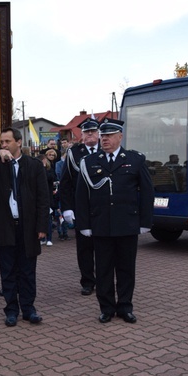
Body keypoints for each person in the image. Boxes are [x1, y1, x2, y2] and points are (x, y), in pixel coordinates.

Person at [75, 119, 154, 324]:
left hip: (127, 225)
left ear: (120, 137)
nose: (105, 139)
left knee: (126, 269)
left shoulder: (135, 160)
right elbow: (81, 196)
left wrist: (145, 221)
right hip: (101, 225)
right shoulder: (90, 162)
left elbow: (147, 192)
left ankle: (125, 307)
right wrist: (84, 224)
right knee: (103, 270)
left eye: (109, 136)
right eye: (103, 136)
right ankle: (107, 308)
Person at [0, 128, 48, 327]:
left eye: (7, 141)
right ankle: (11, 310)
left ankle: (29, 309)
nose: (4, 145)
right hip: (4, 226)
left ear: (19, 142)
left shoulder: (34, 165)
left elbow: (43, 198)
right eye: (1, 142)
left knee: (27, 271)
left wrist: (42, 225)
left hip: (28, 226)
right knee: (8, 270)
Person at [58, 117, 101, 295]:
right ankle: (87, 281)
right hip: (81, 207)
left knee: (104, 246)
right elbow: (65, 183)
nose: (90, 135)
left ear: (98, 134)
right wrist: (67, 208)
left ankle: (104, 278)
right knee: (84, 247)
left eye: (93, 131)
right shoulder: (74, 153)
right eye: (87, 132)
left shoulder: (106, 150)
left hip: (103, 208)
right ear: (81, 135)